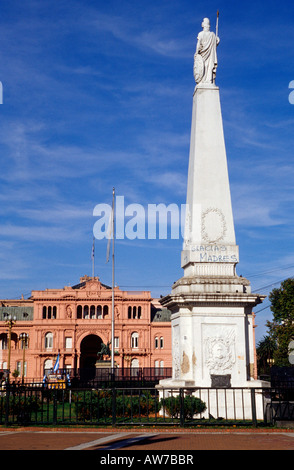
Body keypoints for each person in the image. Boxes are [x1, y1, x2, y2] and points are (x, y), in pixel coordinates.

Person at [194, 18, 220, 85]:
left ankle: (205, 81)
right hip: (208, 55)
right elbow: (215, 43)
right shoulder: (212, 35)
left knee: (204, 66)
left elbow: (198, 44)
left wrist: (196, 52)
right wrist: (217, 40)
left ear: (203, 25)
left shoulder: (201, 34)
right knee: (209, 66)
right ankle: (209, 80)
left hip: (204, 55)